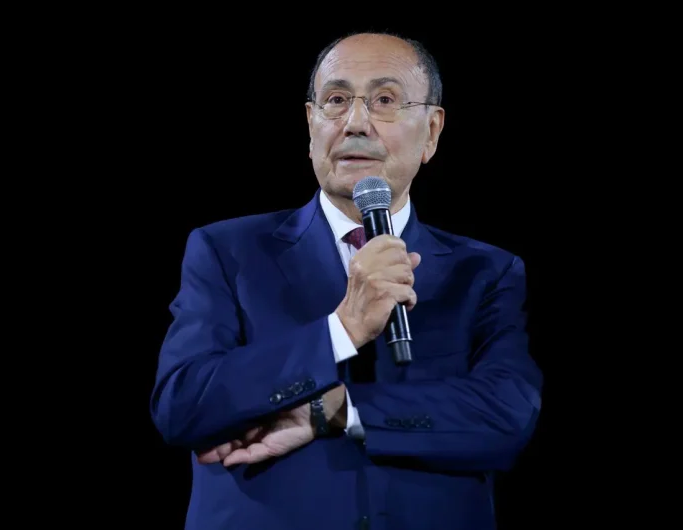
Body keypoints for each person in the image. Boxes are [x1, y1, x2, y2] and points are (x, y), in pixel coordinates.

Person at [150, 31, 543, 530]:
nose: (355, 122)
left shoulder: (487, 272)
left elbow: (506, 415)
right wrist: (341, 328)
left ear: (432, 132)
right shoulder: (227, 252)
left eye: (385, 100)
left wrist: (333, 412)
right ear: (310, 123)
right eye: (336, 100)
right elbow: (183, 405)